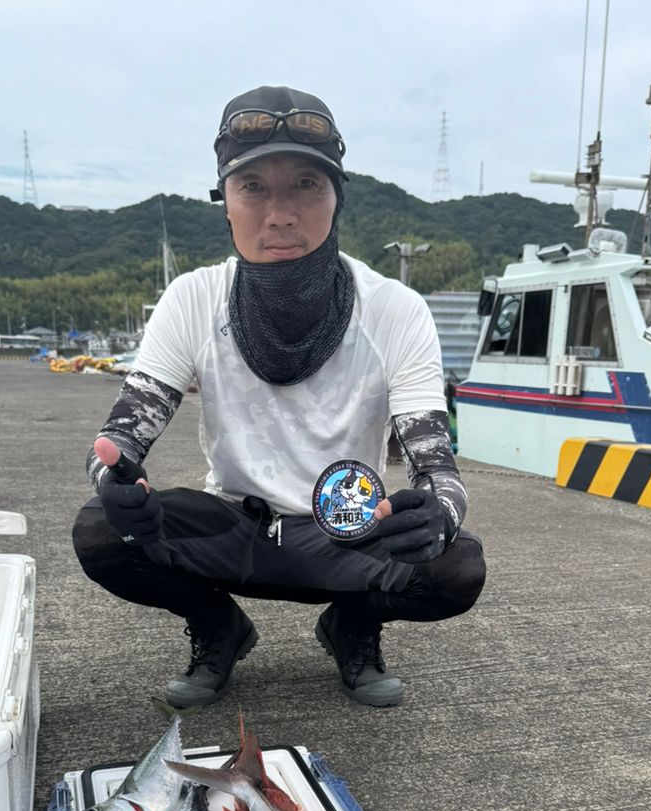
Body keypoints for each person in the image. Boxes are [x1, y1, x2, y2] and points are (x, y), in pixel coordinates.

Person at [73, 85, 486, 710]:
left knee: (456, 568)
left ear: (336, 196)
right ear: (225, 201)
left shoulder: (395, 310)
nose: (281, 213)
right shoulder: (192, 297)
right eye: (254, 188)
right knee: (102, 531)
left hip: (346, 527)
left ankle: (353, 625)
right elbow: (121, 437)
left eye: (305, 185)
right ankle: (219, 628)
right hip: (237, 526)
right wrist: (116, 481)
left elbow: (436, 467)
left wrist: (437, 513)